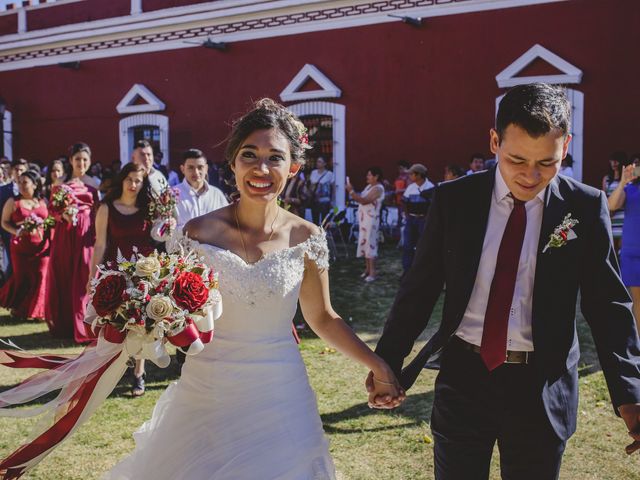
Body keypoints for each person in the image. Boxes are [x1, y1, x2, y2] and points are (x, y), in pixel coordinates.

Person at [103, 98, 401, 479]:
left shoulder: (306, 237)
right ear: (232, 162)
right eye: (249, 155)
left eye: (275, 158)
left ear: (292, 166)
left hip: (281, 391)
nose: (261, 168)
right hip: (208, 390)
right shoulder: (196, 234)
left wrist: (377, 364)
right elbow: (174, 313)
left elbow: (322, 317)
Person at [370, 83, 640, 479]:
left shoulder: (584, 206)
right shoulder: (454, 200)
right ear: (495, 142)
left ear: (565, 146)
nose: (531, 176)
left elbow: (607, 304)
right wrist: (388, 362)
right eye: (517, 160)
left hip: (541, 384)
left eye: (547, 163)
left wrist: (631, 392)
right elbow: (419, 289)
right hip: (465, 375)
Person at [88, 162, 154, 396]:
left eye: (138, 181)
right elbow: (100, 244)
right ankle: (115, 369)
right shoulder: (107, 207)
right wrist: (91, 278)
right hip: (115, 274)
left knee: (141, 324)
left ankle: (139, 373)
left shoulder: (149, 208)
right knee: (116, 325)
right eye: (130, 179)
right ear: (122, 180)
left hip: (143, 273)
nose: (134, 185)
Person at [45, 142, 99, 343]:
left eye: (85, 159)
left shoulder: (94, 183)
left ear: (90, 161)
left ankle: (83, 325)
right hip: (65, 235)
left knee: (83, 276)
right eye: (78, 159)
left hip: (86, 234)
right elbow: (52, 210)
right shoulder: (60, 182)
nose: (81, 163)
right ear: (71, 161)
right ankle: (65, 325)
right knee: (65, 275)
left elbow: (99, 210)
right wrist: (62, 215)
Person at [0, 170, 50, 320]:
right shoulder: (13, 202)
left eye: (25, 182)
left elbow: (49, 221)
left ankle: (37, 312)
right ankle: (19, 309)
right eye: (19, 182)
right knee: (22, 277)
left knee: (41, 276)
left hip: (42, 247)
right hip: (20, 247)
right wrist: (16, 231)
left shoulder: (42, 202)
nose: (21, 186)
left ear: (35, 185)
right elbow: (4, 222)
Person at [608, 160, 640, 333]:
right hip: (632, 251)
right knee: (638, 303)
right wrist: (623, 182)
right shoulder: (630, 189)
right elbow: (611, 205)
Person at [346, 167, 385, 282]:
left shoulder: (378, 188)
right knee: (366, 243)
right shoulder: (369, 187)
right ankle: (368, 270)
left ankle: (373, 273)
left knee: (371, 244)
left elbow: (364, 200)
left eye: (369, 175)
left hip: (372, 220)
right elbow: (362, 199)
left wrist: (351, 191)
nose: (367, 177)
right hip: (365, 220)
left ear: (376, 176)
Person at [175, 148, 228, 230]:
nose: (196, 172)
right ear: (182, 169)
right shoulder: (171, 195)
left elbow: (227, 224)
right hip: (183, 242)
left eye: (200, 167)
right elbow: (159, 233)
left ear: (206, 168)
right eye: (191, 168)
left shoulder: (217, 195)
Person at [401, 163, 434, 272]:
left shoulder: (431, 188)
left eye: (411, 174)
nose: (410, 176)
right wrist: (407, 216)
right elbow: (404, 202)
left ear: (419, 175)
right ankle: (407, 270)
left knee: (423, 246)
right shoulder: (410, 187)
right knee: (407, 246)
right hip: (411, 220)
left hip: (423, 221)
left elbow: (433, 206)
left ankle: (421, 270)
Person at [0, 158, 28, 277]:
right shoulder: (2, 191)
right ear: (11, 171)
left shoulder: (32, 190)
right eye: (16, 169)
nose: (19, 172)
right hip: (8, 233)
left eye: (22, 170)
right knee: (11, 268)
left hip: (28, 234)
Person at [603, 151, 627, 252]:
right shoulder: (607, 179)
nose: (614, 163)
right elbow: (603, 198)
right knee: (612, 251)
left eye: (616, 160)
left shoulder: (627, 179)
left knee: (622, 250)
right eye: (612, 161)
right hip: (611, 219)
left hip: (623, 219)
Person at [308, 156, 334, 224]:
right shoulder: (313, 172)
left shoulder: (329, 174)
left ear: (324, 164)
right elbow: (310, 186)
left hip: (325, 201)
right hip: (314, 200)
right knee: (315, 220)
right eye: (317, 161)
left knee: (324, 221)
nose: (317, 163)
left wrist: (332, 200)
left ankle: (323, 234)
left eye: (319, 162)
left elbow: (332, 188)